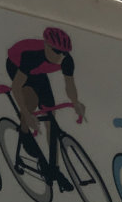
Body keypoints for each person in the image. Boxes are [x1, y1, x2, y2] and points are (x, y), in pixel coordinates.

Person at [5, 27, 86, 190]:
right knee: (30, 100)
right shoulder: (31, 55)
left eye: (64, 53)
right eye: (56, 51)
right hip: (17, 66)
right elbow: (16, 87)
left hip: (39, 73)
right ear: (46, 46)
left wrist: (76, 102)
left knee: (51, 119)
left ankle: (54, 169)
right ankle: (24, 132)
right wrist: (27, 114)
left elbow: (69, 85)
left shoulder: (66, 60)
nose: (60, 56)